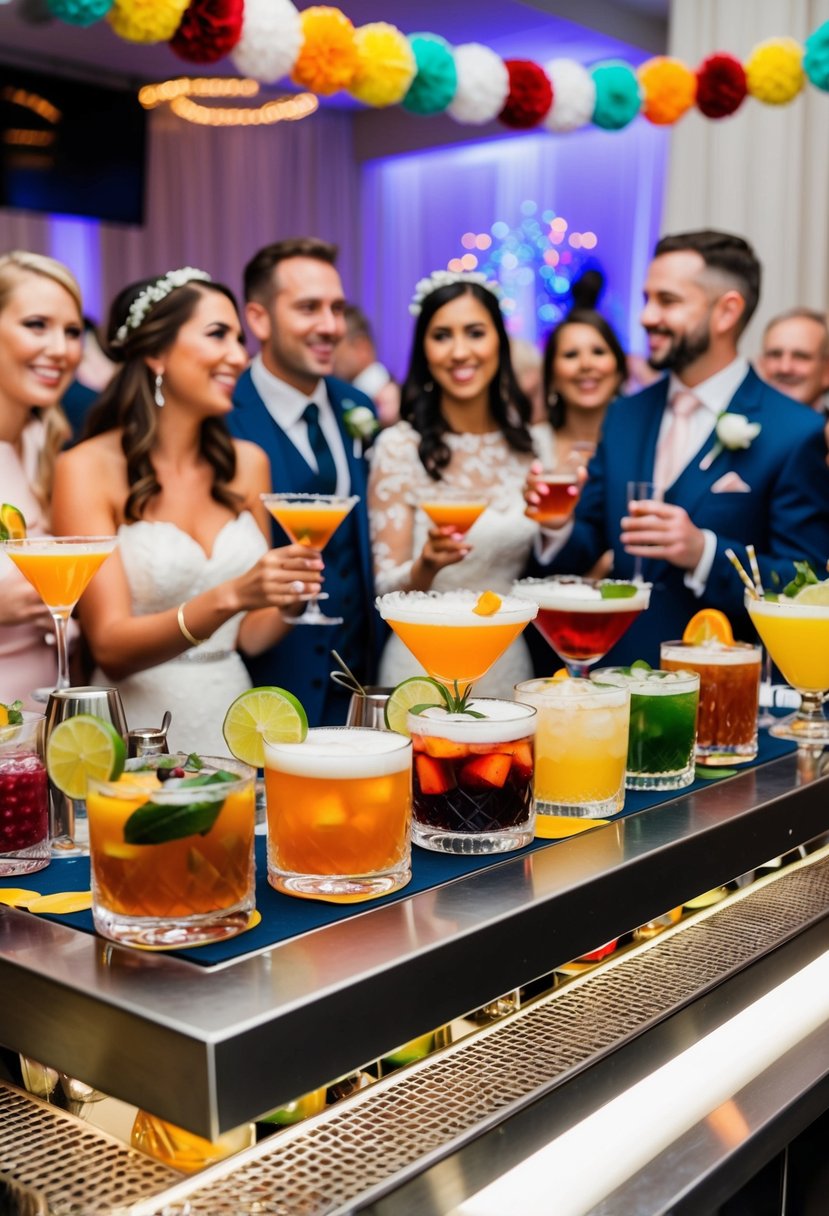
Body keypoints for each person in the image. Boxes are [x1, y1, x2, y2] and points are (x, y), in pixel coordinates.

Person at [527, 229, 829, 664]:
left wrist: (703, 551)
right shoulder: (625, 415)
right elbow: (588, 544)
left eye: (667, 301)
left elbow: (808, 584)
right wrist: (554, 523)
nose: (647, 316)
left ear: (726, 312)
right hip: (614, 683)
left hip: (720, 690)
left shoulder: (794, 431)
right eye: (647, 298)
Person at [51, 268, 321, 755]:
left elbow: (253, 637)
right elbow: (111, 648)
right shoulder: (85, 468)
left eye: (240, 338)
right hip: (138, 730)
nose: (239, 357)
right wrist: (232, 592)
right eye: (218, 334)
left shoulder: (247, 464)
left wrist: (291, 595)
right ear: (156, 352)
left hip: (234, 720)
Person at [368, 270, 555, 697]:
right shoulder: (399, 447)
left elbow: (545, 560)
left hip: (508, 662)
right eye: (441, 336)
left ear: (499, 344)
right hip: (422, 664)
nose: (459, 352)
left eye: (475, 333)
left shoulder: (528, 448)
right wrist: (427, 565)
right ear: (423, 349)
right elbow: (384, 591)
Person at [228, 238, 378, 726]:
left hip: (358, 685)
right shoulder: (224, 416)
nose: (330, 326)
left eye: (337, 308)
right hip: (264, 694)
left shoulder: (358, 406)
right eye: (308, 308)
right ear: (259, 318)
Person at [0, 251, 83, 709]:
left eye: (72, 332)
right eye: (36, 324)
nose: (60, 349)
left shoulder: (44, 445)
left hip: (52, 729)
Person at [542, 308, 627, 469]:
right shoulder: (530, 445)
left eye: (598, 352)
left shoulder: (643, 443)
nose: (586, 364)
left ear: (619, 370)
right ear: (551, 375)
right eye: (571, 354)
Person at [332, 302, 401, 427]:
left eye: (334, 345)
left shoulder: (394, 406)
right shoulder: (339, 397)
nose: (327, 354)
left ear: (361, 348)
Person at [758, 308, 829, 412]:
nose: (785, 368)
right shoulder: (732, 420)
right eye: (775, 355)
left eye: (800, 356)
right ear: (762, 363)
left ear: (826, 371)